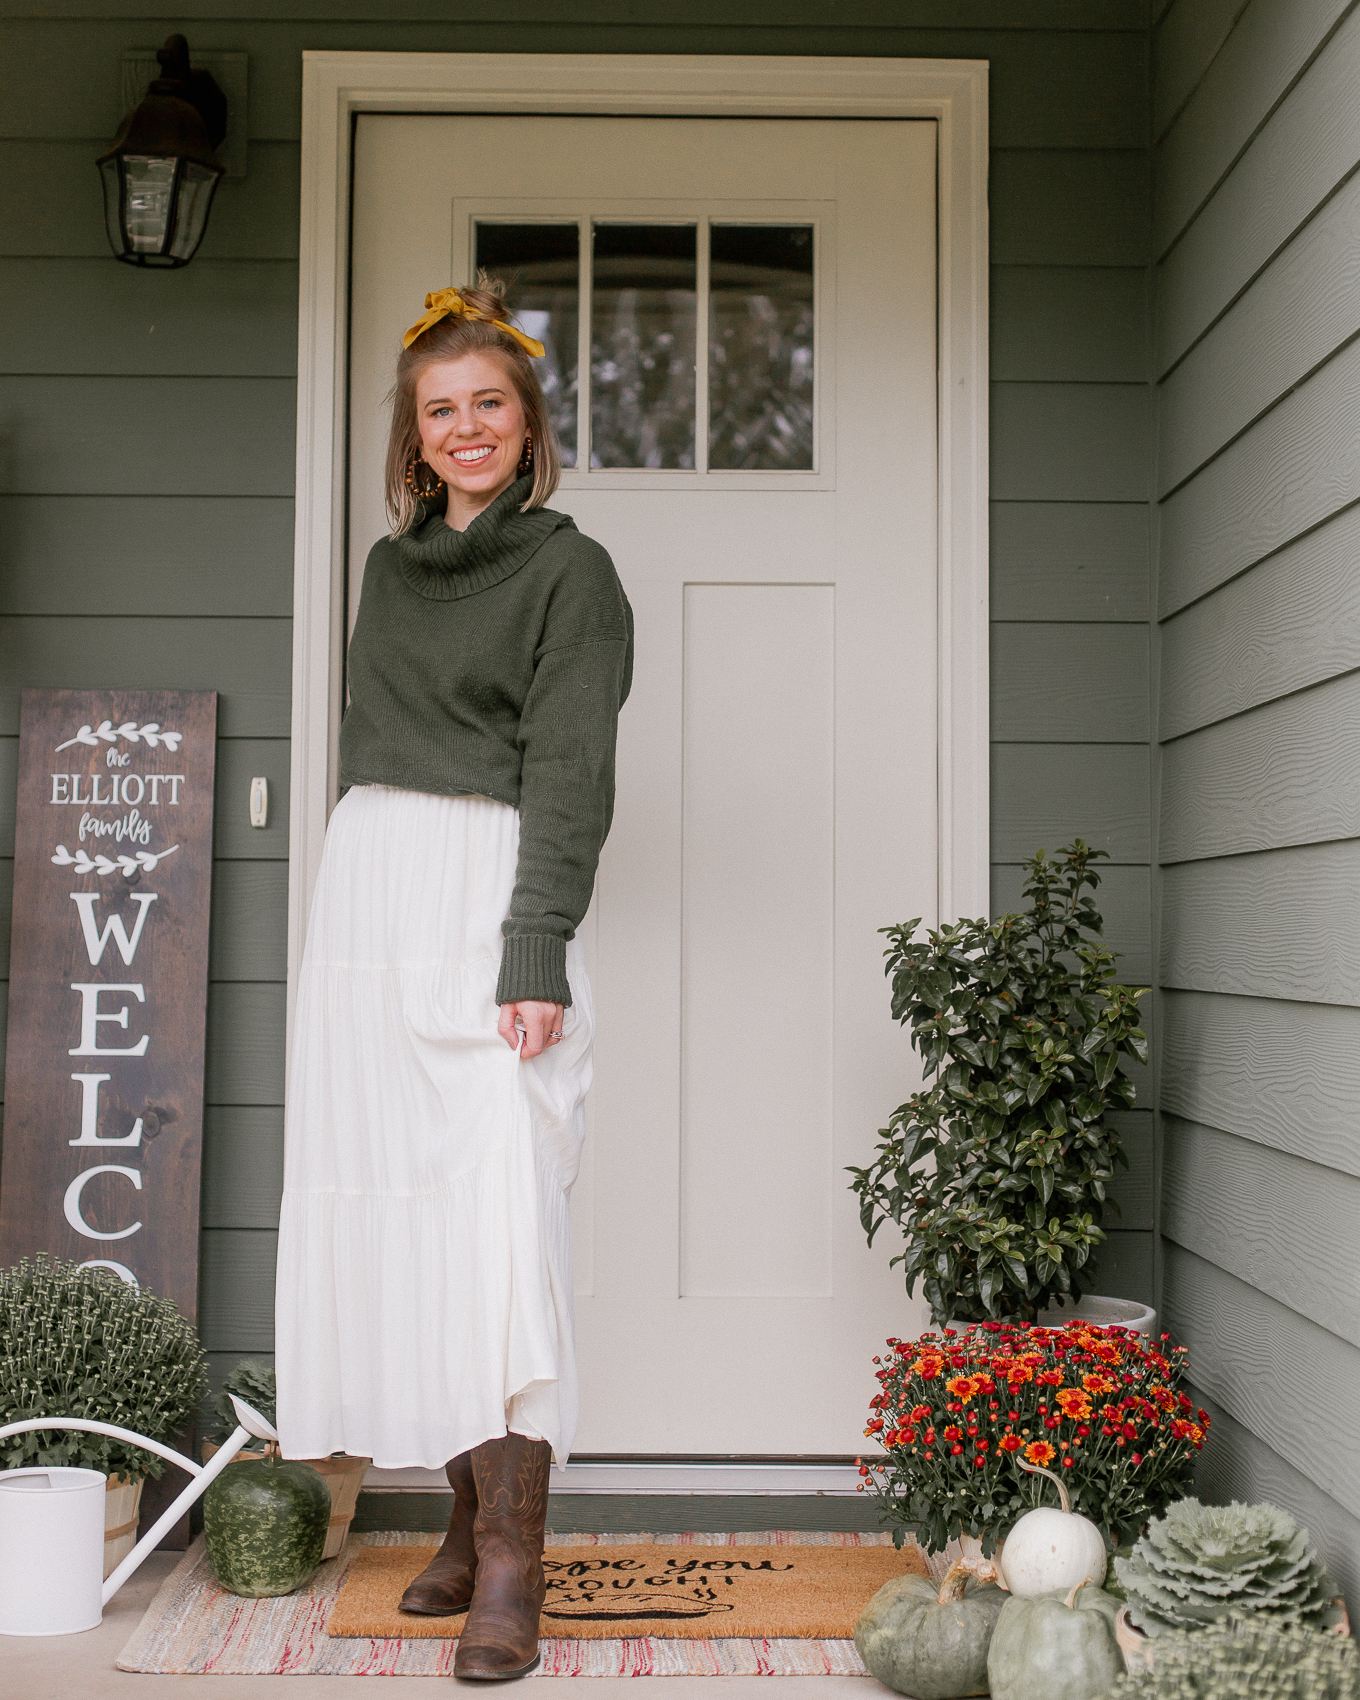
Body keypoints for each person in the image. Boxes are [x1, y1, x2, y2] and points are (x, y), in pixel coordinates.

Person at [275, 282, 633, 1681]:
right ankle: (456, 1520)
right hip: (373, 899)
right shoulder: (387, 568)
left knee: (497, 1226)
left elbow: (573, 775)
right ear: (414, 439)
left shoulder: (572, 572)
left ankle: (513, 1564)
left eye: (492, 402)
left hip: (491, 904)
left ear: (529, 422)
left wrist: (535, 947)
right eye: (442, 410)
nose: (467, 427)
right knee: (402, 1228)